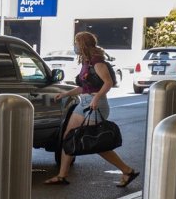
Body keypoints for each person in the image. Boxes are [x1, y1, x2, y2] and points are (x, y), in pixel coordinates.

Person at [45, 31, 141, 187]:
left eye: (76, 42)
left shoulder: (97, 62)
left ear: (83, 44)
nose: (75, 46)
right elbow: (84, 87)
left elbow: (108, 83)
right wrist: (65, 94)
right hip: (84, 103)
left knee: (96, 142)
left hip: (96, 104)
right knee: (68, 137)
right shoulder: (87, 62)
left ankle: (127, 170)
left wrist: (96, 98)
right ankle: (62, 175)